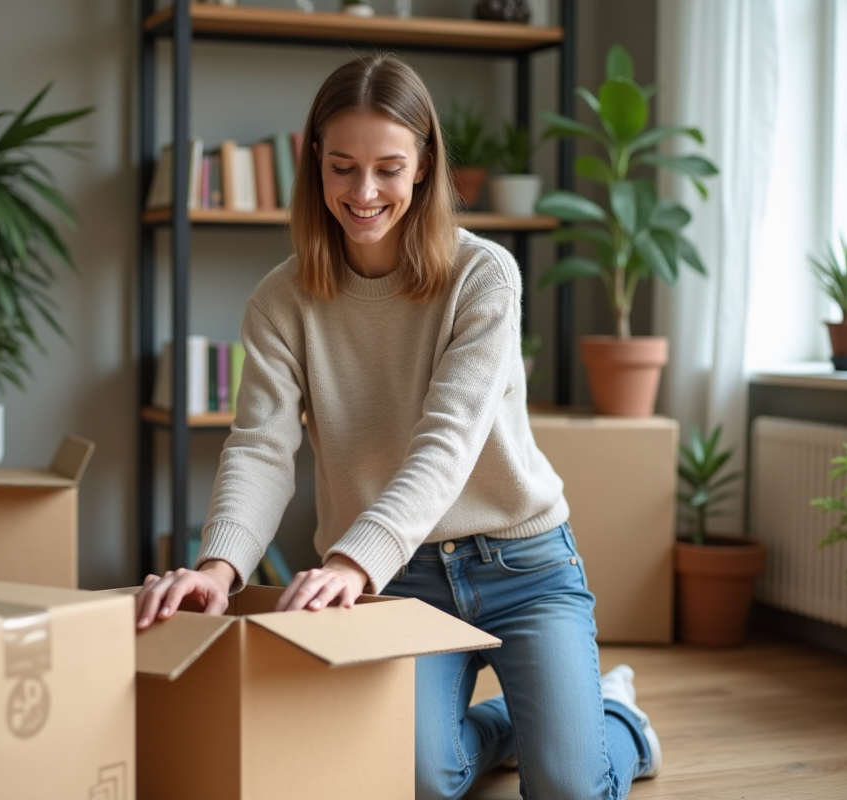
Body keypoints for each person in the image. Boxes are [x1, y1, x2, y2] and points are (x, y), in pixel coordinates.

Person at [135, 52, 661, 800]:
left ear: (424, 166)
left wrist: (350, 562)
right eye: (342, 167)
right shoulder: (280, 302)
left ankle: (617, 714)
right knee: (418, 778)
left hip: (522, 566)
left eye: (388, 168)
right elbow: (259, 450)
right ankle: (522, 721)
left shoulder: (483, 276)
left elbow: (448, 442)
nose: (364, 192)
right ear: (315, 163)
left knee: (570, 788)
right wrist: (219, 568)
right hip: (399, 581)